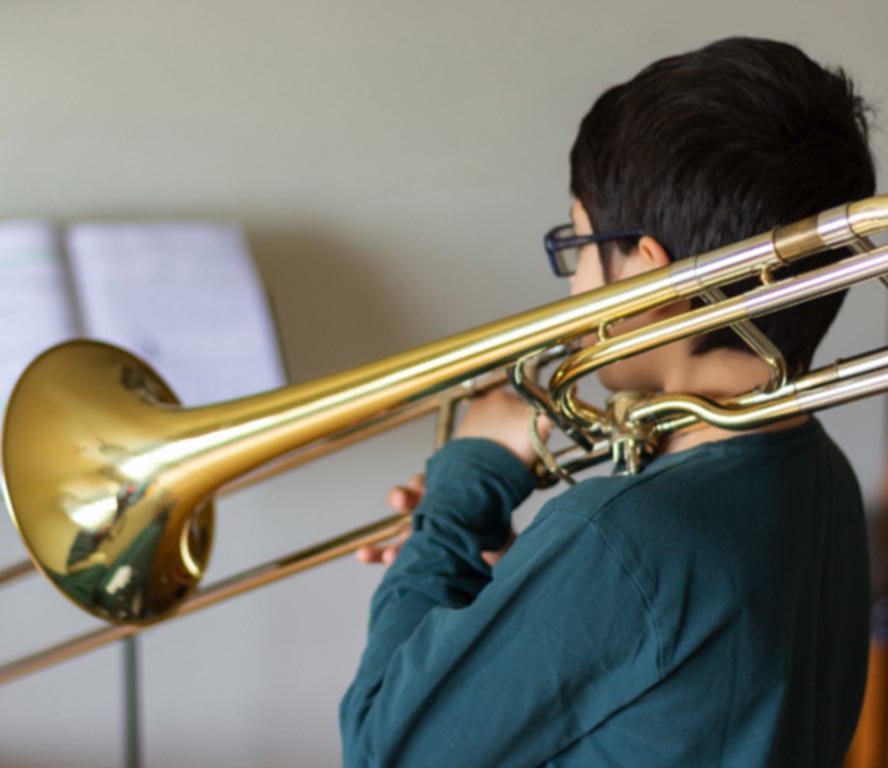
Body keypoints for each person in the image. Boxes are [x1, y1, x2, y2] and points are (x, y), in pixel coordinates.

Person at [340, 37, 877, 767]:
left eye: (578, 245)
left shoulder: (626, 538)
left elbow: (379, 749)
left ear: (646, 280)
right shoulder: (824, 477)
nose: (574, 286)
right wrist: (510, 580)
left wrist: (466, 482)